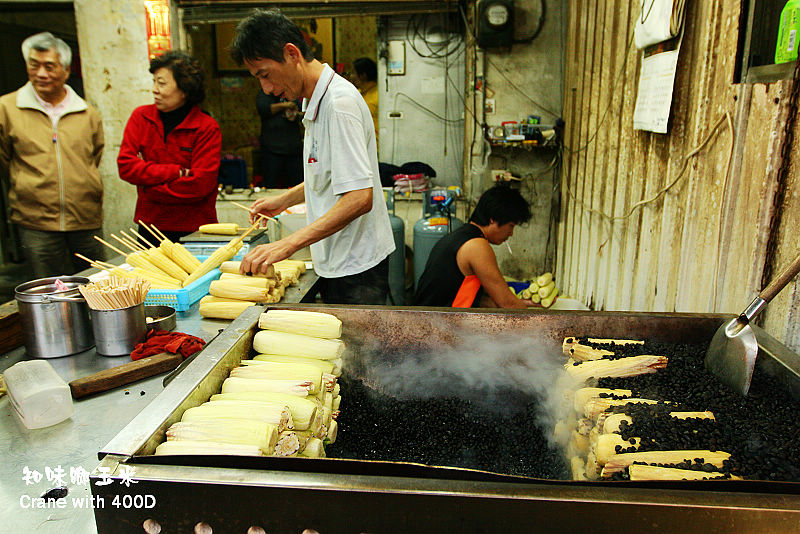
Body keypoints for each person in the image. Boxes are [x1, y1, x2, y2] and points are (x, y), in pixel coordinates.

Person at [230, 9, 395, 305]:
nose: (267, 89)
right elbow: (331, 176)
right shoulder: (315, 100)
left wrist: (288, 244)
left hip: (356, 268)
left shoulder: (338, 104)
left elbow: (359, 196)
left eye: (265, 75)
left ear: (292, 53)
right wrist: (284, 200)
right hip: (336, 259)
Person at [0, 31, 105, 279]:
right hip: (36, 221)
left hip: (84, 217)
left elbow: (94, 155)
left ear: (66, 70)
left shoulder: (87, 112)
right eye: (34, 65)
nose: (41, 73)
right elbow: (4, 160)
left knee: (94, 283)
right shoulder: (7, 108)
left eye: (49, 66)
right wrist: (27, 184)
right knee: (50, 289)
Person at [117, 50, 222, 244]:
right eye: (154, 82)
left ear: (184, 88)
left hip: (195, 229)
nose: (154, 90)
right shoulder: (141, 117)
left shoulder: (206, 127)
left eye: (162, 83)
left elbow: (200, 185)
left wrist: (148, 187)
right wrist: (176, 172)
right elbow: (125, 166)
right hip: (150, 227)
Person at [414, 185, 537, 309]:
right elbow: (507, 304)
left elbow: (477, 300)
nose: (511, 234)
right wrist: (538, 318)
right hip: (434, 320)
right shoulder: (476, 246)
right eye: (511, 226)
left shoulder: (461, 236)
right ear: (493, 219)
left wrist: (525, 302)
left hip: (431, 316)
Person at [256, 90, 303, 188]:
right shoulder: (266, 93)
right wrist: (285, 105)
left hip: (293, 148)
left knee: (298, 184)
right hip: (272, 149)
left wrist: (294, 114)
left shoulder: (291, 91)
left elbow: (301, 111)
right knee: (270, 184)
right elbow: (264, 109)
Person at [352, 57, 378, 142]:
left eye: (354, 73)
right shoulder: (357, 93)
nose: (352, 76)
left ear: (363, 75)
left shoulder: (377, 96)